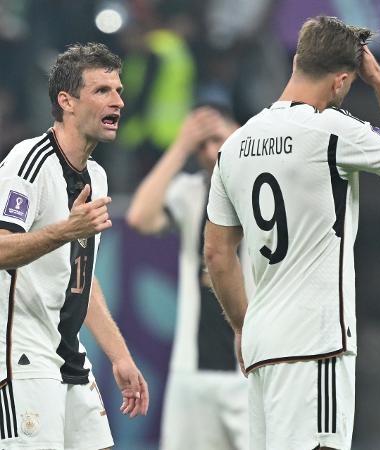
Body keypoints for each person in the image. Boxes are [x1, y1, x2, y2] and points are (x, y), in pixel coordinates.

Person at [204, 16, 380, 450]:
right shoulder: (331, 131)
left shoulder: (234, 144)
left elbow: (217, 254)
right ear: (342, 81)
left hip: (262, 347)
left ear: (295, 61)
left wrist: (242, 326)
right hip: (316, 344)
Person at [0, 43, 149, 449]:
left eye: (118, 90)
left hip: (69, 356)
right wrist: (65, 231)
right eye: (102, 90)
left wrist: (119, 355)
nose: (117, 100)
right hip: (22, 356)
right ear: (66, 101)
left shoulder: (96, 177)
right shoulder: (28, 163)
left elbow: (80, 276)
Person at [127, 105, 252, 450]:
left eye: (218, 139)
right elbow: (140, 217)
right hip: (192, 372)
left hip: (252, 370)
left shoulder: (263, 190)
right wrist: (180, 146)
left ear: (241, 134)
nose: (211, 151)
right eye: (202, 144)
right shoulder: (191, 190)